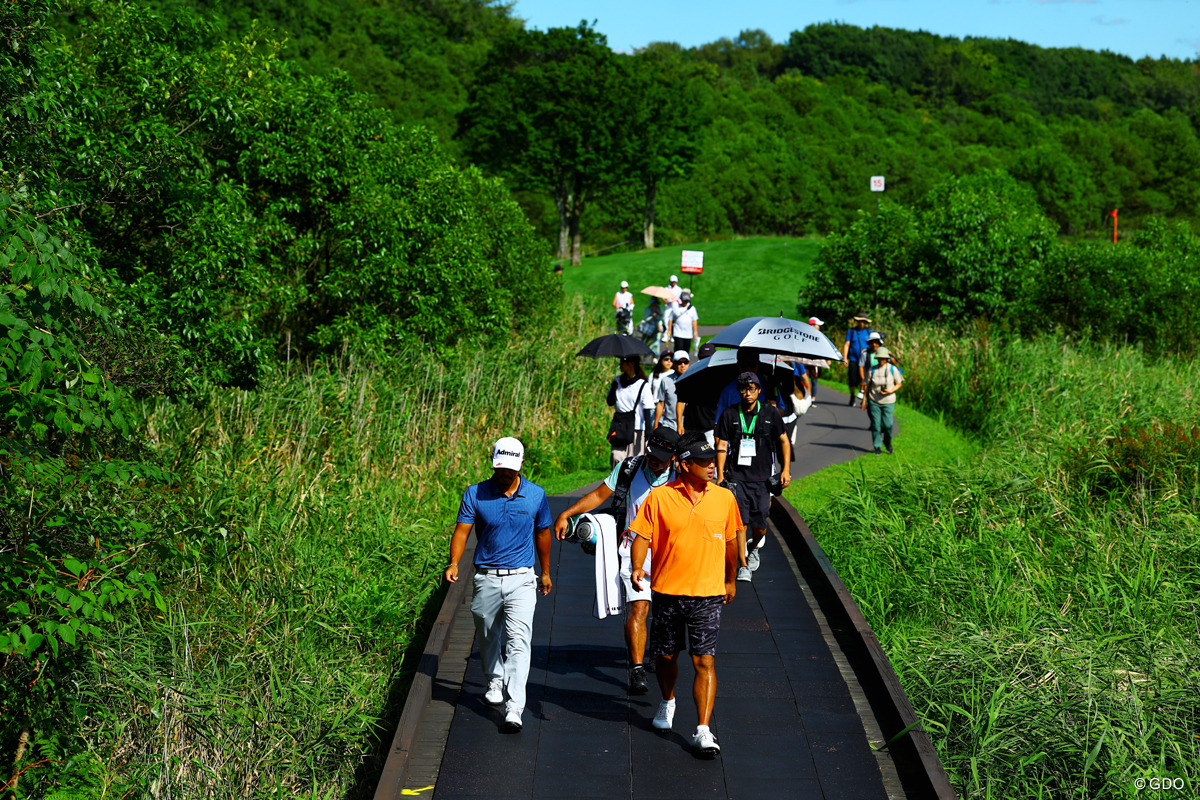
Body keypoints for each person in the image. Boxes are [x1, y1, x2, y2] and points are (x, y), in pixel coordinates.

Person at [628, 432, 740, 758]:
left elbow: (732, 543)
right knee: (665, 657)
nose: (711, 467)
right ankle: (667, 701)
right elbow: (641, 536)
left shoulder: (724, 498)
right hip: (666, 592)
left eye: (712, 461)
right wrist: (638, 566)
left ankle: (703, 729)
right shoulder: (659, 497)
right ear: (684, 464)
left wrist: (730, 580)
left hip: (707, 594)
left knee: (704, 660)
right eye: (704, 462)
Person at [553, 427, 680, 695]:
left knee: (665, 612)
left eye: (661, 457)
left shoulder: (682, 475)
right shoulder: (630, 468)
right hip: (634, 550)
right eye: (652, 454)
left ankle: (655, 650)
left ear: (673, 457)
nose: (655, 461)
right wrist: (567, 512)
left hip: (672, 553)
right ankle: (636, 670)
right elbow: (600, 495)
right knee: (639, 608)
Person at [445, 437, 552, 732]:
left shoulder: (536, 495)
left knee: (519, 642)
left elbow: (543, 533)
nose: (505, 474)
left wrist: (545, 572)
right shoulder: (475, 493)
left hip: (522, 577)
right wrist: (454, 562)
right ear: (493, 463)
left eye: (511, 469)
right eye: (501, 468)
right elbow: (462, 530)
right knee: (487, 632)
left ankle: (514, 707)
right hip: (486, 577)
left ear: (521, 465)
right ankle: (494, 678)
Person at [715, 372, 791, 583]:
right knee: (741, 523)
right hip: (737, 475)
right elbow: (721, 445)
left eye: (751, 388)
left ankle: (754, 546)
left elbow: (784, 440)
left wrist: (785, 470)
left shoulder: (770, 413)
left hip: (762, 478)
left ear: (759, 390)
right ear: (738, 391)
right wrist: (720, 475)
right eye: (743, 389)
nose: (747, 393)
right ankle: (744, 565)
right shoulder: (730, 414)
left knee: (761, 524)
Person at [607, 356, 648, 465]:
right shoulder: (616, 381)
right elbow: (610, 402)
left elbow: (648, 410)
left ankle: (631, 482)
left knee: (634, 463)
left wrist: (649, 433)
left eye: (622, 362)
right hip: (620, 426)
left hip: (637, 429)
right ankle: (617, 482)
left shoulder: (643, 385)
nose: (620, 364)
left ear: (632, 364)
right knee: (616, 457)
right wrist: (613, 389)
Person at [862, 346, 902, 455]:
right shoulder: (872, 370)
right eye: (880, 358)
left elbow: (899, 383)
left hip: (888, 401)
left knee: (888, 425)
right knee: (876, 425)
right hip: (874, 400)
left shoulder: (892, 369)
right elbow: (866, 385)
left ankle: (887, 443)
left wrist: (890, 390)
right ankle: (877, 446)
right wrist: (864, 400)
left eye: (884, 358)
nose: (882, 360)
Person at [676, 344, 716, 446]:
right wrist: (679, 423)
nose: (706, 360)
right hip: (691, 425)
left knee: (709, 456)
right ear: (699, 357)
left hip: (710, 426)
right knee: (691, 456)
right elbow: (681, 400)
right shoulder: (690, 374)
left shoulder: (718, 375)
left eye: (709, 357)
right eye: (704, 358)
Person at [842, 311, 874, 406]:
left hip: (866, 360)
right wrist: (844, 358)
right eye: (860, 321)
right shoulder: (851, 331)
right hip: (854, 359)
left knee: (865, 379)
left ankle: (863, 397)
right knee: (852, 380)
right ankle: (852, 395)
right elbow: (847, 344)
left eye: (864, 321)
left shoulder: (869, 332)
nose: (862, 323)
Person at [653, 350, 685, 431]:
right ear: (674, 364)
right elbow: (660, 404)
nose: (682, 365)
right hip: (669, 423)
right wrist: (656, 425)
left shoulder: (693, 379)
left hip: (687, 424)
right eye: (679, 363)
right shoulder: (666, 380)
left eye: (686, 362)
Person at [644, 351, 674, 434]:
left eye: (671, 360)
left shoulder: (674, 375)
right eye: (666, 359)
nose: (669, 361)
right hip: (654, 407)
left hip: (668, 408)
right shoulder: (653, 375)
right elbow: (648, 391)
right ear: (661, 360)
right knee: (652, 431)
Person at [664, 291, 698, 356]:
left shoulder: (692, 309)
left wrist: (695, 332)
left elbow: (694, 320)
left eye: (687, 301)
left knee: (686, 351)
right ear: (681, 300)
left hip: (688, 334)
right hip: (678, 333)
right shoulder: (676, 308)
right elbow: (670, 319)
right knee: (678, 351)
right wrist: (669, 330)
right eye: (684, 300)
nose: (686, 302)